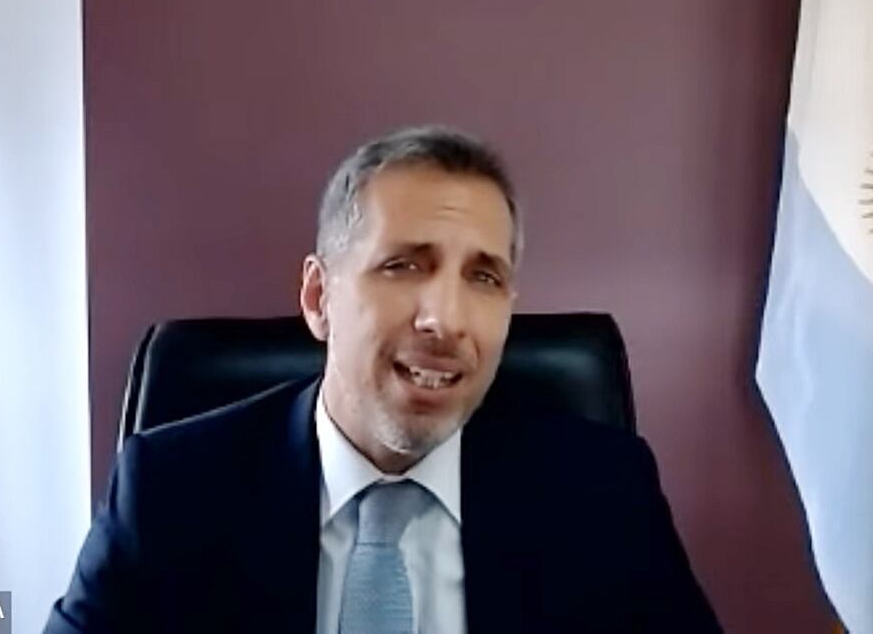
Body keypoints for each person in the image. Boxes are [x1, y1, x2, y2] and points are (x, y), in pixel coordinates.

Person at [45, 125, 721, 633]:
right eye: (403, 265)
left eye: (484, 277)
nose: (446, 319)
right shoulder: (172, 491)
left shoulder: (601, 495)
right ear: (319, 297)